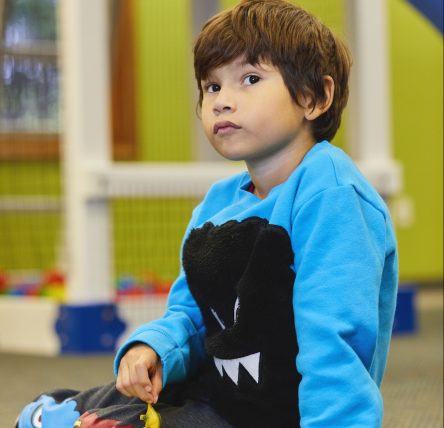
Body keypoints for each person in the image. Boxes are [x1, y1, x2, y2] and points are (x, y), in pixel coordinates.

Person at [17, 1, 398, 427]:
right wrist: (155, 349)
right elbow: (191, 314)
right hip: (214, 393)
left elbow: (336, 341)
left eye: (250, 79)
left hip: (284, 412)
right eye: (212, 87)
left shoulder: (333, 196)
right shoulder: (217, 204)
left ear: (314, 97)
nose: (221, 102)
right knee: (44, 413)